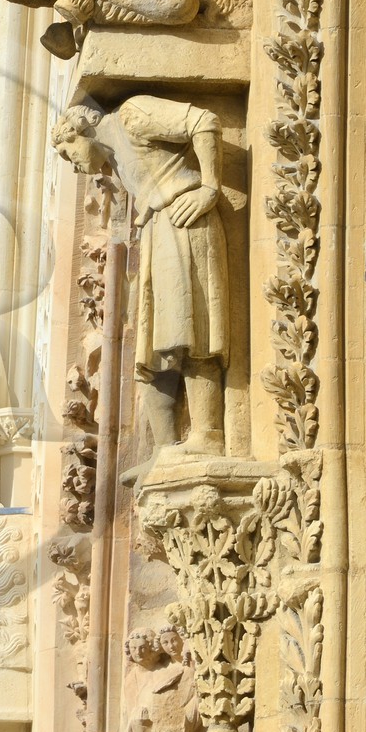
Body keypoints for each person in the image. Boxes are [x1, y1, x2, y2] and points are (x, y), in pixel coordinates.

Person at [51, 98, 229, 481]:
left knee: (191, 330)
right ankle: (165, 448)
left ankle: (207, 435)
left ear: (82, 130)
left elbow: (204, 119)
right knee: (152, 349)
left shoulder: (131, 115)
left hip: (183, 219)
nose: (75, 165)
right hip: (157, 229)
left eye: (69, 152)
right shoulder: (114, 156)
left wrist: (210, 187)